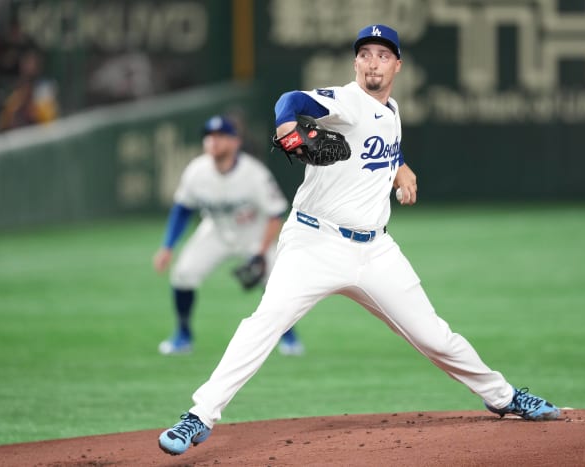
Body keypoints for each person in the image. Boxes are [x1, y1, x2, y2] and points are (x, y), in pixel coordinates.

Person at [158, 24, 560, 456]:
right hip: (315, 242)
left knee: (435, 337)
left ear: (397, 65)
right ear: (356, 62)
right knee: (264, 323)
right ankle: (199, 417)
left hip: (375, 251)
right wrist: (289, 128)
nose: (373, 62)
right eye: (365, 54)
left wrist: (400, 166)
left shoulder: (391, 109)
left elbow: (385, 138)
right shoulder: (347, 101)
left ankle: (504, 397)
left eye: (383, 55)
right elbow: (289, 102)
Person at [153, 114, 304, 357]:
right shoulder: (196, 171)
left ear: (235, 142)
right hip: (215, 230)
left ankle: (288, 336)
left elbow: (276, 213)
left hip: (253, 233)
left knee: (276, 281)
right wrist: (167, 246)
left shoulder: (254, 173)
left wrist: (261, 252)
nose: (213, 142)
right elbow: (182, 209)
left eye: (221, 137)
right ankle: (182, 335)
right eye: (209, 137)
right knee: (183, 274)